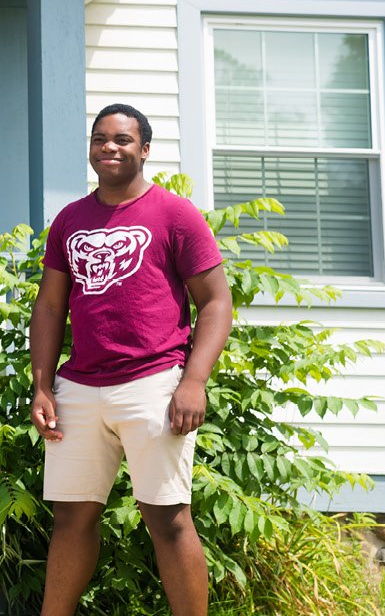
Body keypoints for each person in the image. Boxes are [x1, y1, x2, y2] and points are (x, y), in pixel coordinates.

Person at [30, 103, 232, 616]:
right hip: (79, 387)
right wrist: (42, 386)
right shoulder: (70, 219)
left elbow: (216, 302)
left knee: (167, 517)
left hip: (154, 382)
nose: (109, 147)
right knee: (71, 519)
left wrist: (194, 382)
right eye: (100, 138)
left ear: (144, 149)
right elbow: (50, 306)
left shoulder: (175, 214)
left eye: (122, 139)